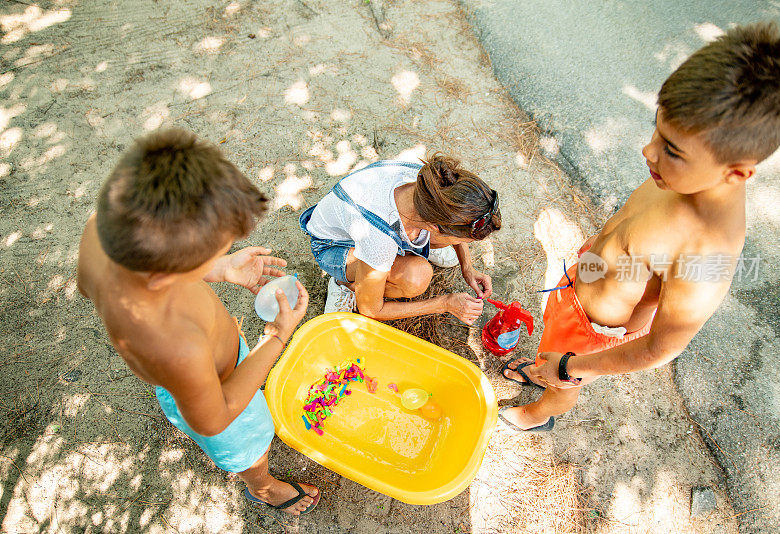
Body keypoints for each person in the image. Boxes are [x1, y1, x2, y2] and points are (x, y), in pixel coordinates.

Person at [499, 22, 780, 431]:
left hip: (591, 328)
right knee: (550, 348)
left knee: (561, 381)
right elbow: (636, 230)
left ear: (736, 173)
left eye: (671, 150)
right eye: (657, 130)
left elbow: (659, 347)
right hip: (579, 287)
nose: (648, 151)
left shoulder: (707, 251)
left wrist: (571, 368)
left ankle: (540, 412)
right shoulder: (683, 175)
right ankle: (544, 364)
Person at [77, 128, 320, 515]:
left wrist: (219, 268)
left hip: (205, 363)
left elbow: (89, 288)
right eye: (207, 255)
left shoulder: (101, 230)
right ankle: (263, 487)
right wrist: (276, 336)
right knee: (250, 446)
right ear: (163, 276)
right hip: (219, 394)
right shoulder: (173, 344)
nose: (219, 257)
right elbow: (216, 419)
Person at [300, 154, 501, 323]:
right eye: (463, 240)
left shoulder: (434, 184)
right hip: (333, 247)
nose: (463, 244)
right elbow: (371, 310)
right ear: (434, 226)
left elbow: (452, 215)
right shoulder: (378, 237)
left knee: (437, 243)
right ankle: (345, 285)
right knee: (417, 277)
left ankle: (414, 247)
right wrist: (445, 303)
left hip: (374, 228)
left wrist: (467, 268)